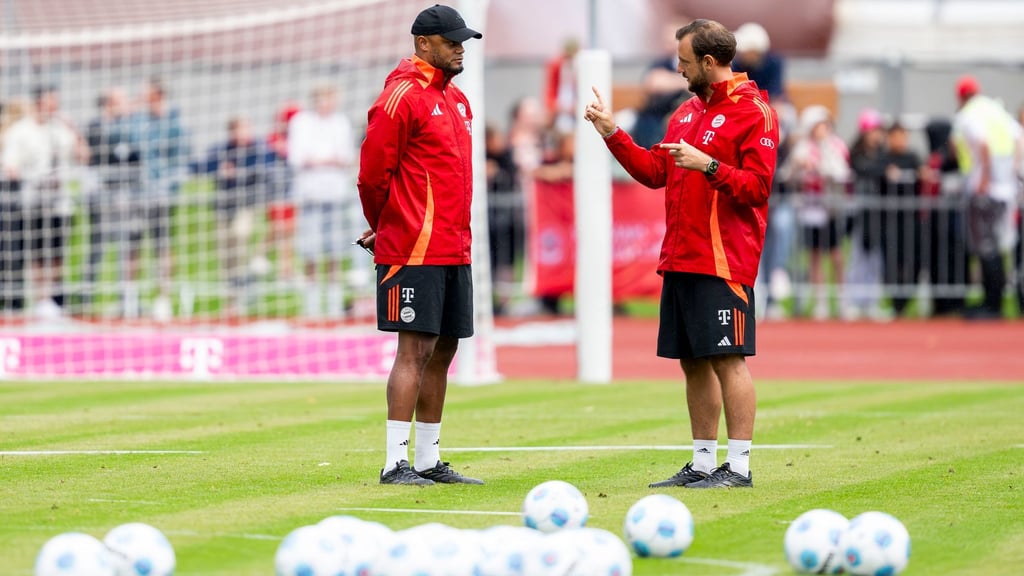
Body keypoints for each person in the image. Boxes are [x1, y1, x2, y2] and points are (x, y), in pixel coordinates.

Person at [584, 19, 778, 488]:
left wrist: (709, 165)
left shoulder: (755, 112)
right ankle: (703, 463)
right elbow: (655, 172)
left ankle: (740, 467)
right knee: (692, 361)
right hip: (681, 256)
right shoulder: (686, 112)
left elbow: (758, 187)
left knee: (729, 359)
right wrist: (612, 132)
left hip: (723, 258)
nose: (678, 68)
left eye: (685, 62)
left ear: (709, 63)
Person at [357, 4, 485, 486]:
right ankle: (396, 463)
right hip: (413, 249)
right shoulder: (401, 96)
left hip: (456, 248)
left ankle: (429, 460)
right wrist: (385, 225)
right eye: (452, 41)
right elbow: (372, 176)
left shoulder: (458, 102)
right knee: (414, 351)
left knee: (445, 350)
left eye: (462, 41)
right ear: (422, 44)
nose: (459, 48)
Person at [1, 85, 87, 319]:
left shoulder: (60, 130)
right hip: (33, 202)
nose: (55, 106)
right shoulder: (21, 131)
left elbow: (83, 156)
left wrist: (75, 130)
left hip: (59, 202)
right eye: (51, 101)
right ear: (40, 102)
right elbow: (10, 167)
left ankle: (52, 298)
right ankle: (40, 298)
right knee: (37, 252)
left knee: (57, 251)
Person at [289, 85, 364, 319]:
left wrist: (323, 160)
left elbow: (346, 156)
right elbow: (297, 156)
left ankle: (332, 306)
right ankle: (311, 307)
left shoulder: (340, 123)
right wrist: (323, 160)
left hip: (334, 196)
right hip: (310, 195)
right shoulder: (301, 122)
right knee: (309, 251)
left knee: (334, 251)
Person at [952, 75, 1022, 319]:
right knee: (994, 246)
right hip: (1004, 189)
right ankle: (995, 301)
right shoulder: (995, 109)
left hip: (985, 190)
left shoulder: (970, 114)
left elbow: (982, 144)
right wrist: (1011, 173)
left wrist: (984, 179)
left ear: (960, 96)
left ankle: (993, 304)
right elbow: (1018, 138)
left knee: (985, 247)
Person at [193, 116, 275, 316]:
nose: (243, 134)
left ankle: (249, 274)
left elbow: (269, 167)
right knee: (226, 254)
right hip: (224, 208)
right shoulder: (222, 150)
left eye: (246, 129)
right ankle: (232, 297)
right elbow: (198, 166)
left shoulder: (258, 149)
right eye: (239, 130)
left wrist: (241, 172)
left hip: (247, 206)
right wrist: (220, 170)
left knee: (240, 238)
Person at [130, 77, 190, 321]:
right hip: (138, 193)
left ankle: (163, 297)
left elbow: (181, 156)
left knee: (162, 245)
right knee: (133, 244)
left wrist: (169, 185)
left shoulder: (174, 122)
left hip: (162, 194)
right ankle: (130, 298)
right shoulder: (139, 120)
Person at [785, 105, 851, 320]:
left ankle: (842, 300)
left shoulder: (836, 145)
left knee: (836, 255)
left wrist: (822, 167)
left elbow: (842, 173)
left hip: (831, 208)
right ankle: (820, 301)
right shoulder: (803, 148)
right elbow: (788, 175)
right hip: (810, 209)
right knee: (814, 255)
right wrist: (800, 167)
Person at [84, 87, 140, 316]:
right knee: (98, 247)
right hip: (103, 196)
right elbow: (98, 156)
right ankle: (86, 298)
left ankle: (126, 298)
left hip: (128, 195)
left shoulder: (130, 127)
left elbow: (135, 156)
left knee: (128, 246)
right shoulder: (96, 127)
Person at [843, 108, 888, 321]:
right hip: (859, 213)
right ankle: (852, 302)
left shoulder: (882, 154)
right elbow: (864, 169)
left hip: (877, 214)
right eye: (872, 131)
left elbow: (883, 169)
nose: (876, 136)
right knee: (858, 257)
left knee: (875, 260)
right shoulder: (855, 153)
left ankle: (871, 302)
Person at [878, 121, 923, 317]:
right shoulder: (883, 158)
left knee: (913, 261)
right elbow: (871, 171)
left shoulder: (913, 157)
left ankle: (905, 301)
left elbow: (923, 176)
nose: (900, 140)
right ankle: (896, 302)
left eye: (903, 136)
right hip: (889, 219)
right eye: (896, 136)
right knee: (891, 261)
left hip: (911, 218)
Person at [631, 22, 690, 149]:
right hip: (655, 117)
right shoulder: (662, 62)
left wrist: (670, 80)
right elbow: (653, 83)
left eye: (672, 40)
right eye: (666, 40)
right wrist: (683, 82)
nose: (668, 44)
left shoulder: (692, 63)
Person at [731, 22, 785, 102]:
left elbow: (776, 92)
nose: (741, 54)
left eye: (745, 51)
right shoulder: (737, 65)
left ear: (755, 51)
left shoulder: (774, 63)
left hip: (768, 105)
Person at [543, 37, 579, 135]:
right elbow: (549, 94)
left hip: (576, 115)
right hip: (559, 114)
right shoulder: (556, 66)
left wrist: (575, 108)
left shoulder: (581, 69)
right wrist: (557, 107)